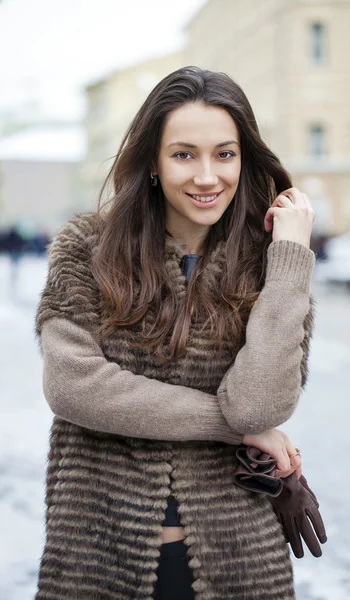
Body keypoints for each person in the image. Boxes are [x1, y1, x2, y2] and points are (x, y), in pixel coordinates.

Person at [35, 66, 316, 600]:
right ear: (154, 164)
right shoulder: (86, 250)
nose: (207, 176)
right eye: (184, 154)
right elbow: (74, 387)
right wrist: (232, 427)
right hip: (99, 557)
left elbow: (259, 407)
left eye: (225, 154)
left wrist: (291, 255)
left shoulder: (275, 267)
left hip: (240, 560)